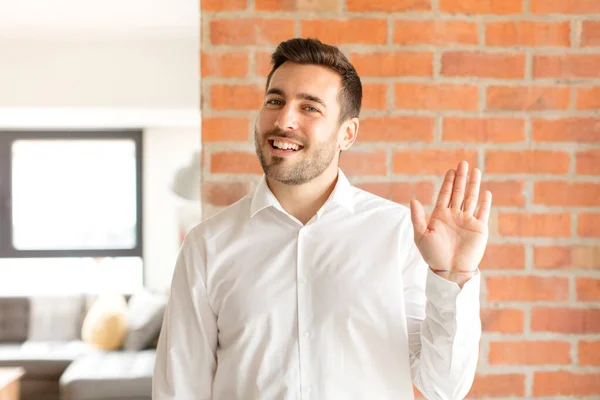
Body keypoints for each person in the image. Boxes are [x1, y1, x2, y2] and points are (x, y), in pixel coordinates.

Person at [153, 38, 492, 400]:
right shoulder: (208, 245)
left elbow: (443, 386)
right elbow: (180, 388)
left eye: (310, 107)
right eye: (275, 101)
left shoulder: (397, 235)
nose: (284, 119)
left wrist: (453, 278)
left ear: (347, 133)